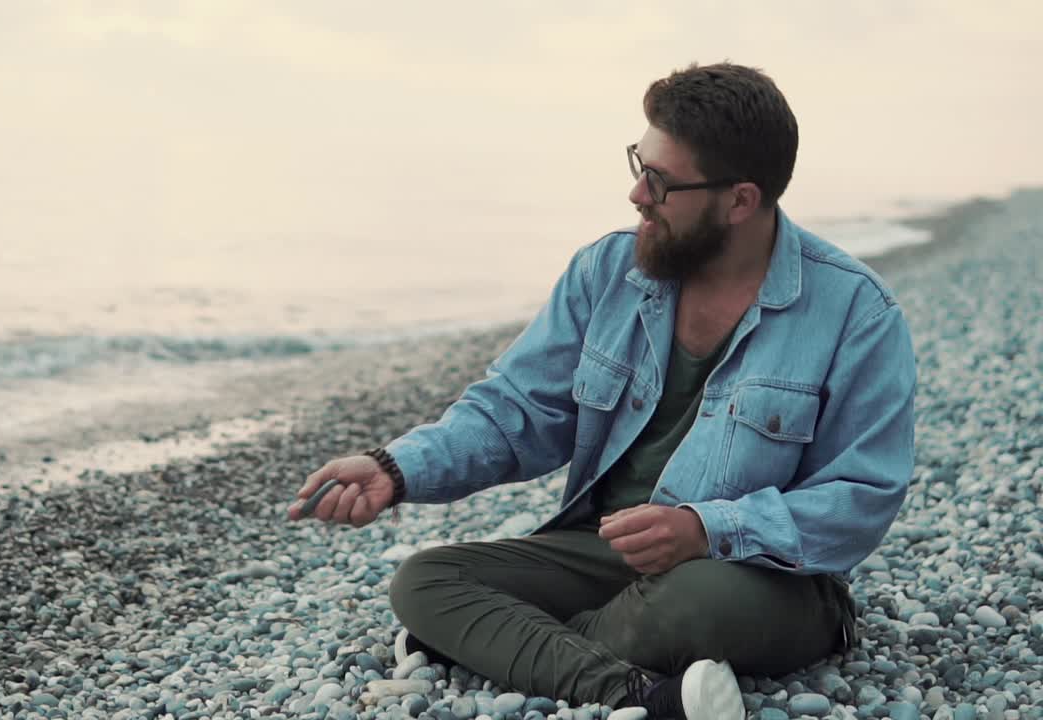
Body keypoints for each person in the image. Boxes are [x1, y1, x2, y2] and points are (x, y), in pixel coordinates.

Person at [287, 62, 916, 720]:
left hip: (751, 576)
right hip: (604, 550)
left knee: (694, 607)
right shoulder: (607, 271)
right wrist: (396, 468)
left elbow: (861, 497)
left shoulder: (856, 313)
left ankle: (512, 645)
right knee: (426, 580)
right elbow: (516, 411)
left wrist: (707, 528)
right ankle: (641, 694)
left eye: (662, 182)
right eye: (637, 164)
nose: (637, 194)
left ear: (740, 201)